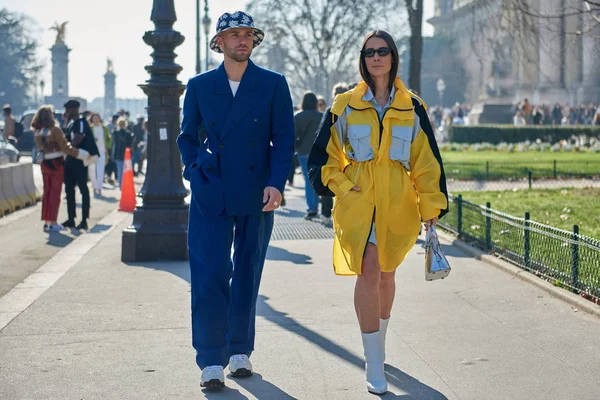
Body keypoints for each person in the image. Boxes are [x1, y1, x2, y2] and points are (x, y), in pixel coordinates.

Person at [308, 30, 448, 395]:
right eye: (369, 51)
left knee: (386, 274)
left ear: (392, 56)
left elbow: (426, 161)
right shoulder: (343, 104)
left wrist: (430, 204)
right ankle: (372, 363)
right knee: (368, 270)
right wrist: (341, 186)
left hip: (398, 203)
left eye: (382, 51)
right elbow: (323, 157)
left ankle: (379, 343)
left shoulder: (412, 106)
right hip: (358, 203)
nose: (376, 57)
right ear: (362, 58)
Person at [177, 11, 294, 390]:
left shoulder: (274, 84)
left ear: (254, 41)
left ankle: (240, 350)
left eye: (248, 34)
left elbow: (285, 140)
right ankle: (211, 359)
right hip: (211, 191)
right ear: (219, 43)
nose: (242, 40)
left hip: (257, 192)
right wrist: (196, 171)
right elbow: (186, 137)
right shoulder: (198, 86)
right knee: (209, 274)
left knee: (247, 272)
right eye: (233, 34)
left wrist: (277, 184)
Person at [32, 105, 90, 231]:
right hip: (56, 162)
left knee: (46, 192)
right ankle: (53, 222)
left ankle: (47, 222)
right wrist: (81, 154)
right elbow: (65, 148)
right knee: (55, 193)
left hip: (44, 163)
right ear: (49, 116)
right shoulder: (55, 130)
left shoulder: (37, 131)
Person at [315, 82, 349, 227]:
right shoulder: (352, 110)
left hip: (332, 154)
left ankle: (326, 214)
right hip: (348, 158)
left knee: (330, 183)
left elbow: (321, 133)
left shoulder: (331, 110)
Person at [62, 100, 99, 230]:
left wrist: (67, 146)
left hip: (79, 160)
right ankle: (71, 218)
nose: (66, 112)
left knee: (83, 188)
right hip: (70, 160)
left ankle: (84, 220)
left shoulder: (81, 122)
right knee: (69, 189)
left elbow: (77, 139)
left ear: (74, 110)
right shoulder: (71, 124)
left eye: (68, 110)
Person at [294, 91, 323, 219]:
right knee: (320, 179)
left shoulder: (298, 116)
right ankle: (325, 208)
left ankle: (312, 208)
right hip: (319, 152)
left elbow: (293, 136)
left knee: (308, 180)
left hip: (304, 152)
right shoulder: (322, 116)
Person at [89, 113, 110, 196]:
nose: (96, 120)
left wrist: (107, 146)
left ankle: (99, 187)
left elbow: (108, 138)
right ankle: (94, 186)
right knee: (92, 170)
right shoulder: (90, 128)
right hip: (92, 152)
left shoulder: (104, 128)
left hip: (102, 151)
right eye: (94, 118)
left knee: (100, 170)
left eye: (97, 118)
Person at [112, 117, 134, 187]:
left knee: (120, 170)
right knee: (124, 170)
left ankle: (121, 184)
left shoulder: (116, 133)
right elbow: (130, 145)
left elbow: (114, 145)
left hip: (120, 154)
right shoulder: (128, 133)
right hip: (124, 154)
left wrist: (114, 154)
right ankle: (123, 184)